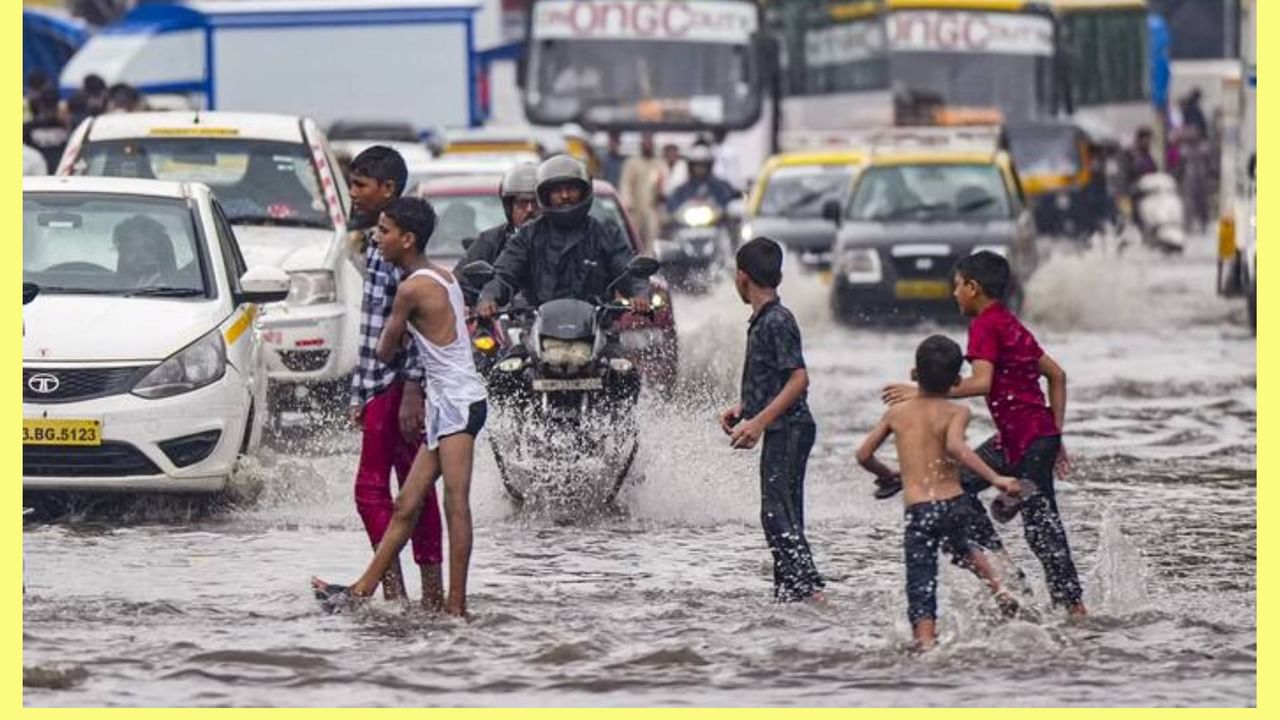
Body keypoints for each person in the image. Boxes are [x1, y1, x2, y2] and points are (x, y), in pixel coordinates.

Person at [883, 251, 1087, 617]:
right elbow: (1057, 375)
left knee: (1041, 527)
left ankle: (1073, 607)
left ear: (973, 288)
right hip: (1026, 438)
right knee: (959, 484)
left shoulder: (984, 326)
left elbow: (982, 382)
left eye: (957, 286)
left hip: (1025, 441)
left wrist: (923, 392)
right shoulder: (1009, 324)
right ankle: (1007, 573)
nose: (954, 293)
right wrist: (1054, 436)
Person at [315, 197, 488, 617]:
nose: (377, 238)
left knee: (455, 504)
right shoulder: (444, 276)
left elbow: (384, 349)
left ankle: (456, 609)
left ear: (407, 240)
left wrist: (397, 329)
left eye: (385, 231)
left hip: (459, 406)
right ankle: (360, 591)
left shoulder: (410, 289)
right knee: (406, 507)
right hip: (451, 405)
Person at [858, 335, 1024, 650]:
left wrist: (890, 474)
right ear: (957, 380)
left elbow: (863, 455)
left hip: (920, 509)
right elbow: (956, 447)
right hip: (953, 500)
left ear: (913, 375)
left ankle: (925, 640)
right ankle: (997, 587)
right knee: (962, 546)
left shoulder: (897, 413)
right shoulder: (957, 412)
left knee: (921, 577)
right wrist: (997, 478)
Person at [342, 146, 444, 608]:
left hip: (396, 386)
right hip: (380, 385)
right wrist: (360, 393)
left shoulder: (398, 247)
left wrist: (411, 391)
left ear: (388, 190)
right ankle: (426, 597)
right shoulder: (380, 243)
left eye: (361, 185)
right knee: (410, 492)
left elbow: (418, 330)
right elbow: (373, 326)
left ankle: (398, 592)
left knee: (374, 490)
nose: (353, 194)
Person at [719, 237, 825, 603]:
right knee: (784, 513)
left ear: (742, 277)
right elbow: (774, 378)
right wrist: (744, 409)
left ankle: (811, 593)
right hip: (784, 426)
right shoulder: (766, 320)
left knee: (776, 513)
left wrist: (759, 422)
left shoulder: (777, 321)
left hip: (790, 428)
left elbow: (798, 378)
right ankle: (790, 595)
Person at [475, 154, 650, 318]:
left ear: (584, 191)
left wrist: (640, 295)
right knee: (505, 350)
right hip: (537, 328)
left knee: (624, 350)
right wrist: (489, 297)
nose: (565, 195)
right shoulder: (527, 235)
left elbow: (628, 270)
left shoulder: (606, 234)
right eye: (557, 191)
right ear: (545, 195)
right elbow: (504, 272)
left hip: (596, 328)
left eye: (571, 189)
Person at [458, 162, 539, 269]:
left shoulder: (564, 240)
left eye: (536, 203)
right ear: (509, 207)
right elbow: (462, 281)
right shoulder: (490, 241)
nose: (530, 209)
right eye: (522, 203)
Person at [618, 133, 666, 250]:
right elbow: (625, 184)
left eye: (650, 143)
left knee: (652, 238)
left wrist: (661, 193)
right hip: (634, 209)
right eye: (645, 143)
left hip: (651, 209)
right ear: (641, 145)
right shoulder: (632, 163)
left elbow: (664, 183)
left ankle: (651, 262)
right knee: (633, 239)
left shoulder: (659, 163)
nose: (647, 146)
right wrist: (627, 204)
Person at [665, 144, 739, 213]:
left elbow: (728, 200)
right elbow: (673, 204)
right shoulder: (683, 189)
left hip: (717, 224)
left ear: (709, 166)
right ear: (690, 167)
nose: (700, 169)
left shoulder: (719, 187)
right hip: (686, 224)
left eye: (703, 165)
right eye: (696, 165)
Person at [112, 214, 176, 288]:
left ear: (161, 253)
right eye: (131, 249)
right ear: (121, 253)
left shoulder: (180, 289)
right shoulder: (104, 293)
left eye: (148, 249)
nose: (140, 256)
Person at [23, 87, 70, 172]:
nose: (49, 108)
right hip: (37, 170)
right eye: (46, 103)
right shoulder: (28, 128)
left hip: (61, 170)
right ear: (39, 104)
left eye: (52, 104)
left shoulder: (65, 126)